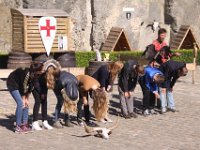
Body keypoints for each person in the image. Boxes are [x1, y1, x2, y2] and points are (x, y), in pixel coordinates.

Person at [32, 59, 61, 131]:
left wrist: (44, 93)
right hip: (34, 85)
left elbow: (46, 85)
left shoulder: (55, 71)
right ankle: (34, 122)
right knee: (38, 101)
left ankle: (45, 122)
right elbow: (36, 83)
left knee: (44, 102)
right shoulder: (42, 73)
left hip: (42, 86)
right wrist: (41, 92)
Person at [7, 66, 35, 133]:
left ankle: (24, 124)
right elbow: (23, 86)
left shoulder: (36, 75)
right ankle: (18, 126)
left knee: (26, 104)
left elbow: (30, 87)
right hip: (12, 83)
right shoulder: (27, 73)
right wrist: (23, 98)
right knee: (20, 103)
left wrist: (27, 99)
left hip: (20, 85)